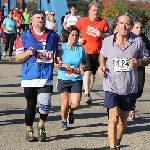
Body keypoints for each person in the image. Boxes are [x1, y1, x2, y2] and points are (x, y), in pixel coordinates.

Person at [98, 13, 149, 150]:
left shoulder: (137, 41)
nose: (124, 26)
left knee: (123, 120)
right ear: (117, 24)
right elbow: (102, 55)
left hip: (128, 86)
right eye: (121, 23)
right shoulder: (108, 41)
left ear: (131, 26)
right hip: (111, 84)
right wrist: (102, 65)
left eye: (127, 24)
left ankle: (118, 140)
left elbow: (146, 59)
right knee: (113, 118)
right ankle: (112, 147)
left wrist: (138, 61)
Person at [15, 9, 62, 142]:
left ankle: (41, 125)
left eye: (42, 17)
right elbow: (18, 58)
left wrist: (58, 59)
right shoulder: (24, 37)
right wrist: (27, 54)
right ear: (31, 20)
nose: (40, 19)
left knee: (45, 105)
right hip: (29, 76)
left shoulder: (53, 35)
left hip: (46, 76)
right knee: (31, 105)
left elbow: (59, 51)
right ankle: (29, 129)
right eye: (37, 18)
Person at [75, 2, 109, 104]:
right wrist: (79, 39)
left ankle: (88, 91)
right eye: (94, 10)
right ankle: (87, 94)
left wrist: (101, 34)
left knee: (93, 74)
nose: (96, 12)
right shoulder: (83, 21)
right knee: (88, 72)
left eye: (97, 10)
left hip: (98, 52)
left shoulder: (103, 22)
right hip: (86, 51)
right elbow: (72, 31)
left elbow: (109, 35)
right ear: (89, 11)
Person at [55, 25, 86, 131]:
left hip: (76, 79)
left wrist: (83, 66)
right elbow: (55, 64)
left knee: (76, 104)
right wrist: (63, 65)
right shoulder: (61, 47)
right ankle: (64, 121)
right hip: (64, 77)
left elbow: (85, 62)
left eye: (76, 35)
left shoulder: (80, 49)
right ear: (68, 35)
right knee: (65, 102)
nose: (74, 37)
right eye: (72, 35)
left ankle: (70, 111)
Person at [129, 14, 150, 120]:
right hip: (129, 68)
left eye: (141, 28)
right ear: (132, 27)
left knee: (139, 90)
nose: (139, 30)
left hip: (140, 66)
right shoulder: (128, 38)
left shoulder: (144, 39)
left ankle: (130, 103)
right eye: (137, 27)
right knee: (130, 89)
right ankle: (131, 108)